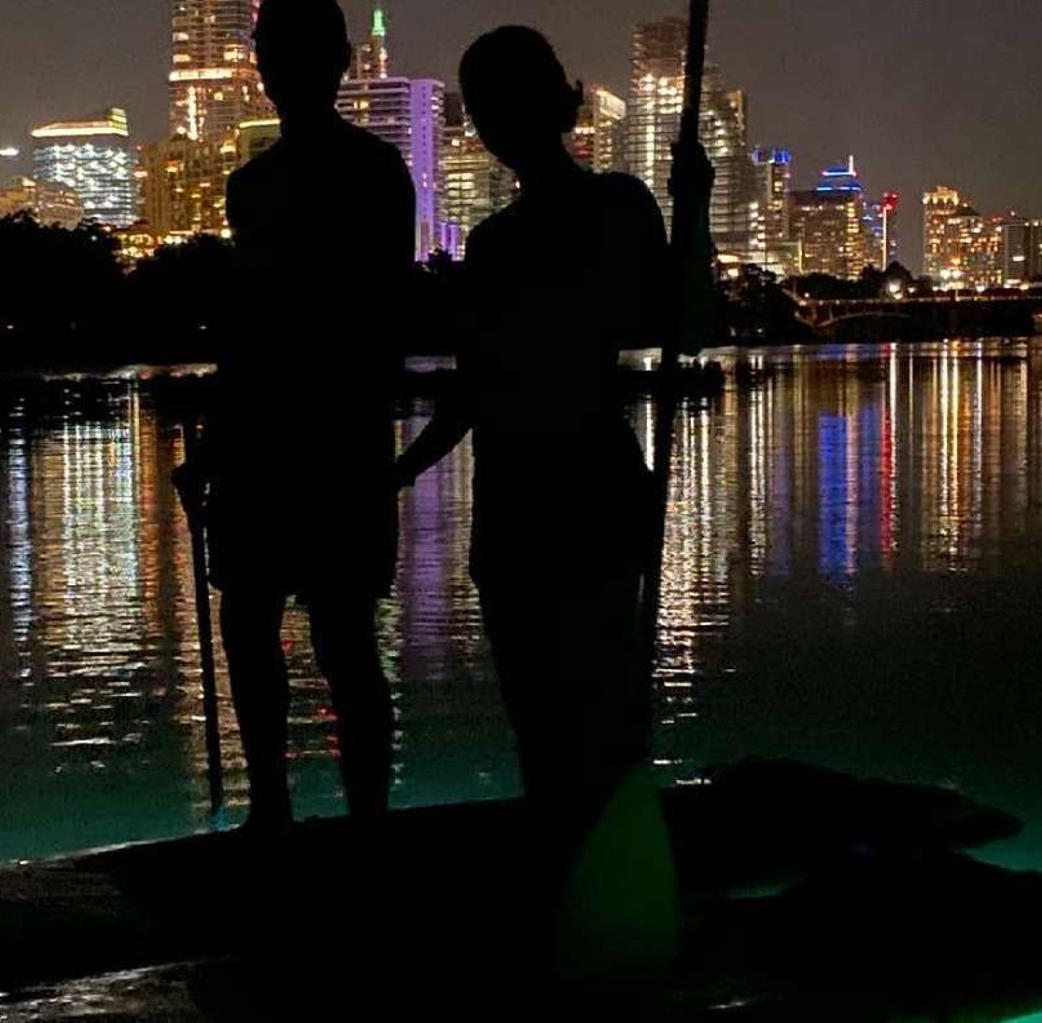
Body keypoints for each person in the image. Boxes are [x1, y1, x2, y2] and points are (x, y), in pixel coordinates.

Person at [393, 26, 717, 982]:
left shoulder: (586, 219)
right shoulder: (541, 230)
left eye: (497, 105)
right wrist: (400, 473)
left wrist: (692, 208)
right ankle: (585, 902)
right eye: (483, 108)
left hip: (562, 493)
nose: (493, 126)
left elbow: (674, 326)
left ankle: (597, 909)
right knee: (569, 720)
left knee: (578, 722)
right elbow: (484, 386)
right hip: (553, 495)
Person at [174, 0, 416, 830]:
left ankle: (320, 811)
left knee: (315, 630)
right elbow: (261, 334)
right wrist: (211, 445)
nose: (279, 70)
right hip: (308, 435)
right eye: (272, 53)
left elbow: (303, 326)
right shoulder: (288, 182)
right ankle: (312, 809)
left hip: (313, 434)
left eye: (287, 53)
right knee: (285, 625)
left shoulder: (329, 180)